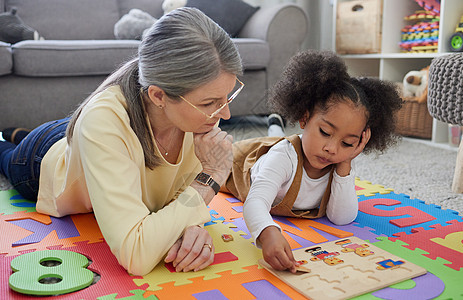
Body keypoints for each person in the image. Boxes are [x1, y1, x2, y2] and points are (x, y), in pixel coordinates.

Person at [0, 7, 243, 276]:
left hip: (92, 138)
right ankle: (13, 139)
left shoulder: (201, 113)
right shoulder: (103, 120)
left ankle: (18, 132)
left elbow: (182, 198)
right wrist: (211, 177)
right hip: (41, 159)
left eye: (227, 98)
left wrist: (191, 229)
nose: (225, 114)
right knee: (6, 156)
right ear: (159, 96)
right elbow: (136, 255)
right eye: (210, 103)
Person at [224, 50, 402, 273]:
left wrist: (345, 164)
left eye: (348, 143)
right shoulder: (282, 158)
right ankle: (274, 127)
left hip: (293, 144)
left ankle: (275, 124)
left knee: (282, 137)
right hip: (243, 163)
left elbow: (342, 218)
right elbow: (256, 202)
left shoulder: (339, 160)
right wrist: (267, 232)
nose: (332, 149)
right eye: (325, 132)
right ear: (305, 118)